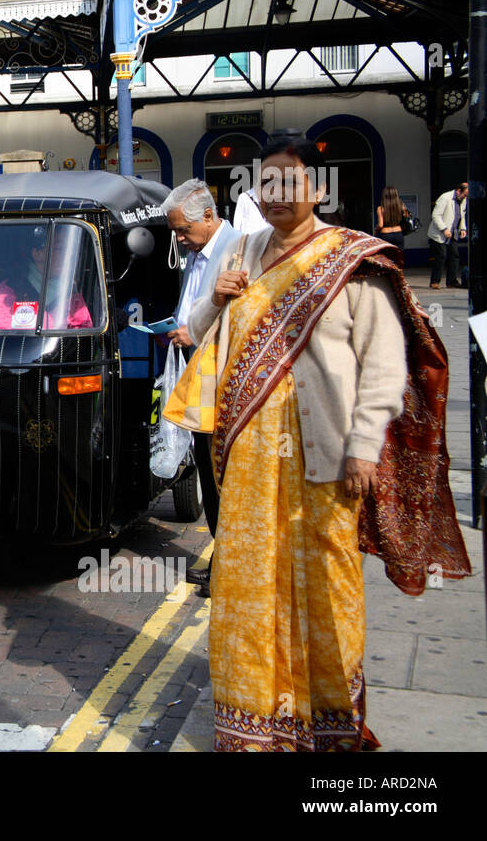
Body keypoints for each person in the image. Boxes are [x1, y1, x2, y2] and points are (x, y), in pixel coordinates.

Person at [185, 136, 466, 751]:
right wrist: (217, 299)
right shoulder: (245, 254)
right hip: (247, 460)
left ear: (317, 190)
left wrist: (365, 447)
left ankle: (327, 722)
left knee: (326, 584)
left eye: (292, 183)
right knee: (247, 585)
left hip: (327, 459)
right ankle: (253, 725)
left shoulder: (352, 261)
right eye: (267, 183)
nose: (278, 195)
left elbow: (386, 365)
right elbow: (198, 336)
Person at [162, 179, 242, 566]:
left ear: (208, 217)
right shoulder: (199, 250)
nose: (179, 238)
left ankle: (229, 564)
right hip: (198, 378)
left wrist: (191, 331)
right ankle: (222, 556)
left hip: (223, 386)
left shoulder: (240, 250)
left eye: (182, 229)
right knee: (207, 475)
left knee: (223, 479)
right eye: (175, 230)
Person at [0, 226, 94, 330]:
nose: (68, 255)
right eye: (60, 249)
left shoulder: (70, 289)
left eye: (69, 250)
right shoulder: (10, 289)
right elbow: (5, 336)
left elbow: (83, 332)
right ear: (37, 254)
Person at [427, 181, 467, 289]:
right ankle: (434, 281)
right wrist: (443, 229)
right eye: (464, 194)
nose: (465, 197)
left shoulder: (463, 200)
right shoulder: (445, 197)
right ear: (459, 191)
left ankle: (451, 281)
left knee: (454, 255)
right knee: (441, 256)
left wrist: (462, 228)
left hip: (453, 232)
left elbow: (461, 216)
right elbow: (435, 215)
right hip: (440, 233)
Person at [374, 186, 407, 256]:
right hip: (398, 234)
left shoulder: (380, 209)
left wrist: (375, 230)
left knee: (387, 259)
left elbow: (380, 225)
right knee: (398, 258)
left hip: (386, 235)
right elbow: (406, 218)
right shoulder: (401, 206)